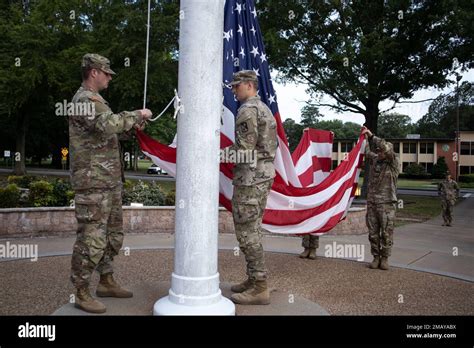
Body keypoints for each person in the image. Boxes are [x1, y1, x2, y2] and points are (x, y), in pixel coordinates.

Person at [69, 53, 152, 313]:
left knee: (113, 235)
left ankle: (106, 280)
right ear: (93, 72)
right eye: (106, 73)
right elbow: (108, 124)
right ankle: (81, 292)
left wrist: (131, 127)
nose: (109, 78)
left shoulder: (98, 101)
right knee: (91, 239)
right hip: (92, 183)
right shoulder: (84, 100)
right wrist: (138, 113)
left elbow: (108, 132)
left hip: (109, 182)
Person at [228, 70, 278, 305]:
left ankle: (259, 286)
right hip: (262, 176)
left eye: (236, 86)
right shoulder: (264, 108)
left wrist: (215, 153)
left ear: (249, 85)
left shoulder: (248, 110)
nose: (234, 90)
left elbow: (244, 151)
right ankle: (253, 279)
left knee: (247, 232)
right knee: (253, 230)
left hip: (251, 178)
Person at [361, 127, 399, 271]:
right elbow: (365, 152)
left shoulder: (393, 162)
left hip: (387, 204)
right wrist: (363, 139)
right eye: (379, 150)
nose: (379, 152)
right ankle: (376, 257)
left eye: (382, 150)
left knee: (386, 233)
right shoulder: (376, 160)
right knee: (373, 232)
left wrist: (371, 136)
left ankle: (385, 258)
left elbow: (385, 148)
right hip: (372, 203)